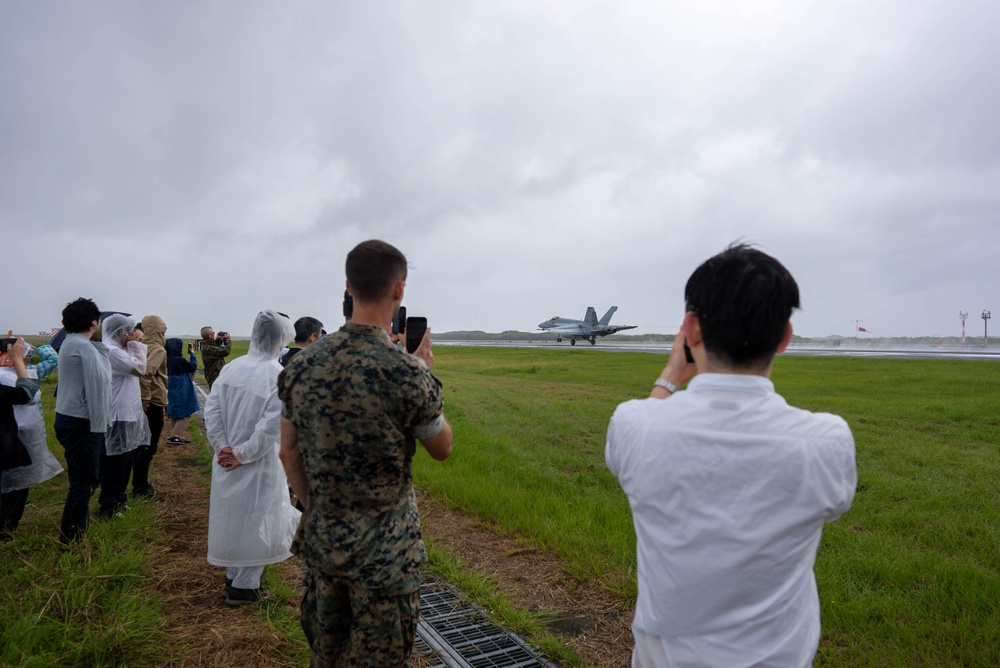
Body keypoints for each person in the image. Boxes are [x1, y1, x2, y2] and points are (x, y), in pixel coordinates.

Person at [605, 244, 857, 668]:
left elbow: (644, 426)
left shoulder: (634, 425)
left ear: (690, 329)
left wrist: (671, 374)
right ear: (784, 338)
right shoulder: (826, 440)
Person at [278, 239, 453, 667]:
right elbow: (442, 447)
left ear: (348, 286)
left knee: (327, 653)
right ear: (399, 291)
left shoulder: (300, 365)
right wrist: (423, 371)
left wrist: (315, 506)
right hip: (386, 556)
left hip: (325, 542)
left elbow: (288, 453)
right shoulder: (406, 372)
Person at [205, 310, 300, 607]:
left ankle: (234, 576)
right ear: (280, 338)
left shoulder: (232, 368)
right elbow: (271, 427)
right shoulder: (277, 375)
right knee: (258, 519)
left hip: (227, 459)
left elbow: (212, 409)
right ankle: (244, 588)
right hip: (257, 462)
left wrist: (222, 446)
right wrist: (243, 454)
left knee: (233, 519)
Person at [54, 297, 112, 544]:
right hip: (82, 422)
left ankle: (77, 528)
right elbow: (97, 389)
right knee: (83, 481)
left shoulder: (71, 342)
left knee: (83, 477)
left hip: (69, 418)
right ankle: (72, 538)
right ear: (94, 321)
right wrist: (101, 428)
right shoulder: (83, 347)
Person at [0, 337, 52, 537]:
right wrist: (19, 364)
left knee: (18, 484)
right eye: (21, 355)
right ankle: (6, 528)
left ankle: (10, 525)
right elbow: (30, 396)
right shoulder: (4, 375)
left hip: (15, 434)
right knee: (12, 486)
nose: (25, 359)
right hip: (12, 436)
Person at [99, 314, 150, 519]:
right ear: (121, 331)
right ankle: (108, 506)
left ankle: (119, 499)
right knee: (116, 461)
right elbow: (140, 368)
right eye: (130, 330)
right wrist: (136, 344)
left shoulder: (119, 349)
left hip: (127, 411)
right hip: (118, 413)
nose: (133, 334)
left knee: (126, 458)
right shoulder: (111, 350)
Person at [133, 315, 167, 498]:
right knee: (149, 446)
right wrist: (145, 398)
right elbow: (146, 371)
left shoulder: (138, 345)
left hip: (140, 400)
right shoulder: (158, 349)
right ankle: (140, 487)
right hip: (152, 401)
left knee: (140, 444)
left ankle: (139, 484)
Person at [165, 338, 200, 445]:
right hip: (182, 385)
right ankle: (176, 436)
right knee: (187, 410)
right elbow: (192, 367)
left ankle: (175, 434)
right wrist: (192, 355)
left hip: (170, 384)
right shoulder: (180, 360)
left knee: (175, 411)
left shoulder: (166, 359)